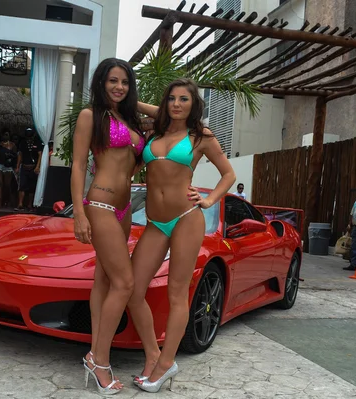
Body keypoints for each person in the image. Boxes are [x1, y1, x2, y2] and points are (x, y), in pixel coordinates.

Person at [130, 78, 236, 393]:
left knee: (178, 293)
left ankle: (166, 362)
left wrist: (208, 200)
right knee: (133, 290)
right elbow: (149, 108)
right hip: (154, 222)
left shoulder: (199, 136)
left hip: (186, 219)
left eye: (184, 100)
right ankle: (152, 354)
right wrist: (124, 96)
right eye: (172, 99)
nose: (177, 104)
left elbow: (228, 173)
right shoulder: (158, 129)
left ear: (194, 105)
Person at [71, 58, 144, 395]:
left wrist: (130, 101)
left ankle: (94, 350)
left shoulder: (129, 118)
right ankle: (99, 360)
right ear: (100, 83)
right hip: (99, 204)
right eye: (112, 81)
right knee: (125, 282)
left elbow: (170, 114)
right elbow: (77, 165)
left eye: (125, 82)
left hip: (125, 209)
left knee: (103, 281)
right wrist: (79, 215)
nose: (119, 87)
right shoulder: (91, 116)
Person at [15, 127, 42, 211]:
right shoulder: (23, 142)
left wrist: (38, 166)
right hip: (24, 166)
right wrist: (17, 166)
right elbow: (20, 155)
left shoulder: (37, 142)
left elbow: (40, 154)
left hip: (33, 167)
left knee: (32, 187)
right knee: (22, 186)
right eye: (27, 136)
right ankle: (20, 204)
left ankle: (30, 205)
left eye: (30, 136)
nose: (29, 138)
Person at [0, 129, 17, 208]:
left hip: (8, 165)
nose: (5, 136)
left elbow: (15, 156)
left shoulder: (12, 145)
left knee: (7, 185)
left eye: (7, 134)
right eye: (4, 134)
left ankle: (6, 200)